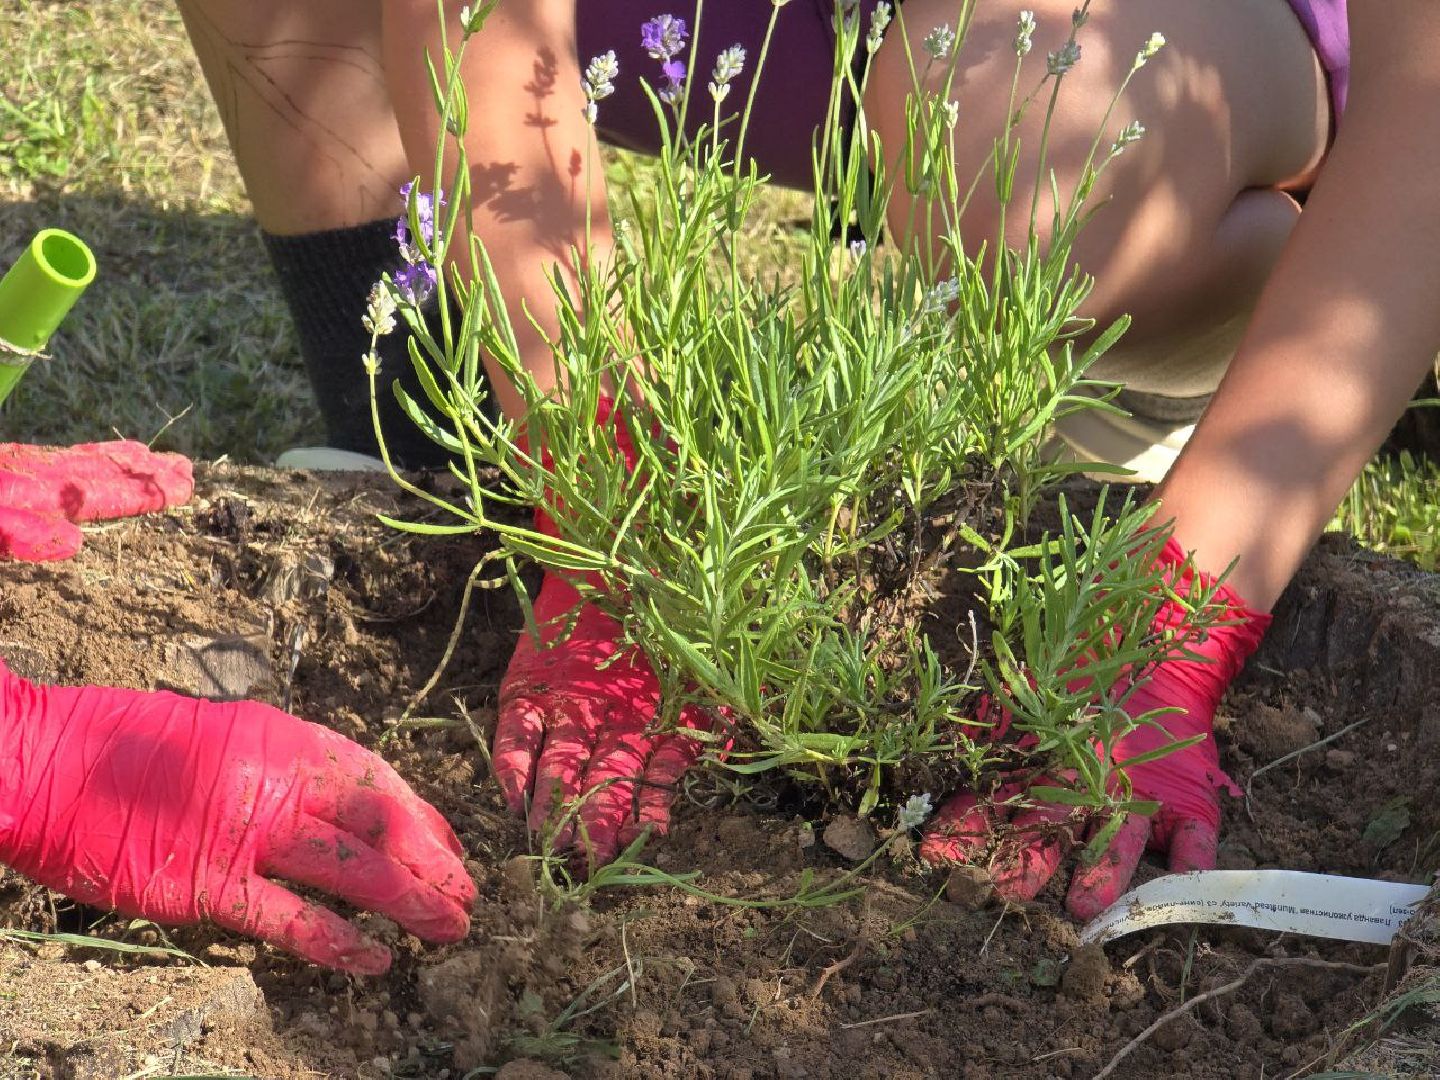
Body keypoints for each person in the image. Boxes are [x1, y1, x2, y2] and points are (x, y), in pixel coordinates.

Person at [3, 0, 1435, 967]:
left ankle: (1148, 363)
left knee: (1031, 151)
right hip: (743, 36)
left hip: (1147, 52)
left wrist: (1181, 604)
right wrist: (611, 503)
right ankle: (445, 475)